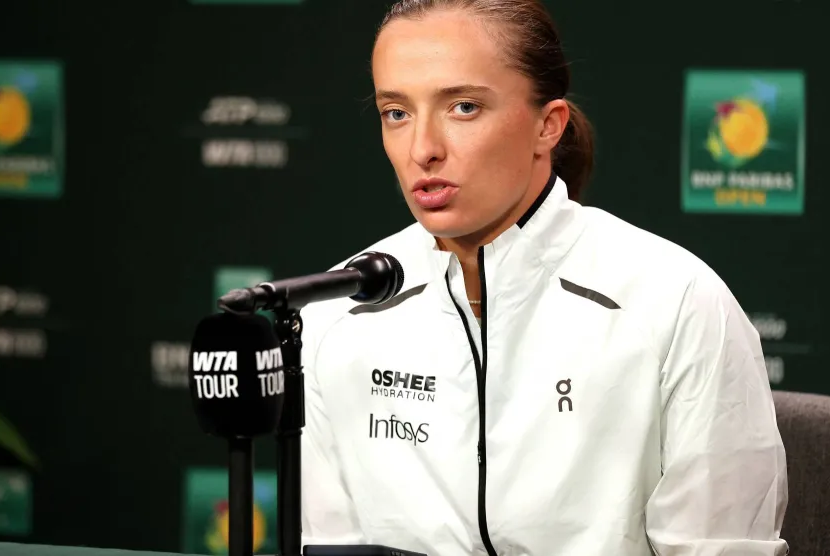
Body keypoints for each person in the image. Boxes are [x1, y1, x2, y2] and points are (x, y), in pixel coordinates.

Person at [298, 1, 789, 555]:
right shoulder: (339, 309)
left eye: (462, 107)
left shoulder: (675, 303)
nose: (422, 150)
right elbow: (328, 546)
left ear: (546, 126)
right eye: (397, 113)